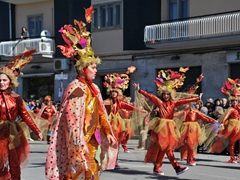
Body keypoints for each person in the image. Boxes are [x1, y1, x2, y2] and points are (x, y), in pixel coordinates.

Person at [45, 7, 117, 180]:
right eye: (92, 67)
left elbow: (101, 113)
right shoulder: (75, 88)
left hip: (93, 138)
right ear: (82, 68)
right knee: (76, 175)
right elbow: (71, 121)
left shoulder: (95, 88)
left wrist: (107, 132)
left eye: (95, 66)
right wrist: (78, 142)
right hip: (79, 143)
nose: (95, 70)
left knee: (92, 173)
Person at [133, 67, 200, 176]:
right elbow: (150, 96)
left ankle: (156, 168)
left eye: (168, 94)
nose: (166, 96)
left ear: (171, 94)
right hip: (161, 127)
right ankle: (177, 167)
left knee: (164, 149)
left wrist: (196, 98)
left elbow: (184, 100)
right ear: (161, 94)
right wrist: (140, 90)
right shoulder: (159, 102)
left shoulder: (173, 103)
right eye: (164, 94)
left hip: (170, 127)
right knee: (167, 148)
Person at [0, 49, 43, 180]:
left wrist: (37, 131)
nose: (1, 82)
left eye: (4, 80)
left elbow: (26, 116)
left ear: (10, 82)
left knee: (14, 163)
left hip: (13, 134)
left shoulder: (16, 98)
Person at [103, 72, 147, 169]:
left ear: (118, 93)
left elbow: (131, 107)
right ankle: (107, 160)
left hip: (118, 124)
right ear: (110, 92)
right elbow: (99, 106)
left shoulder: (120, 103)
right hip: (109, 123)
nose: (114, 93)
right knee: (108, 144)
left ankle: (115, 161)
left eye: (115, 91)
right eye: (112, 91)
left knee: (117, 144)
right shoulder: (106, 102)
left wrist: (141, 110)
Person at [209, 78, 240, 163]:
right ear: (231, 102)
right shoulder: (230, 109)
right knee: (232, 141)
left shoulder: (239, 108)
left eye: (236, 101)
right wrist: (222, 123)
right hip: (232, 126)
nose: (235, 103)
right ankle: (232, 157)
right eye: (233, 101)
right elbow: (226, 116)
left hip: (239, 126)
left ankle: (239, 157)